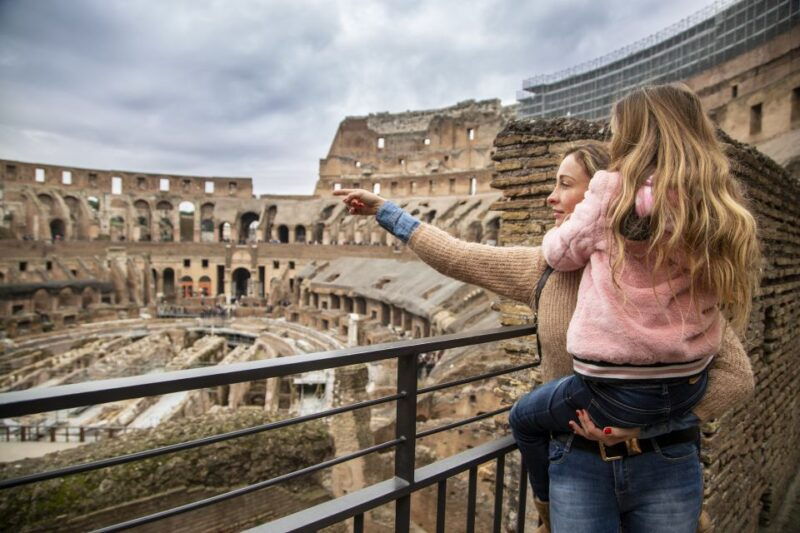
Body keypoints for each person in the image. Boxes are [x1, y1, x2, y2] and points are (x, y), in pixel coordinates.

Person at [334, 130, 754, 531]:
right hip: (577, 462)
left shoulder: (665, 274)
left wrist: (645, 426)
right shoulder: (545, 268)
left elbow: (737, 377)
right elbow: (459, 257)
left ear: (600, 198)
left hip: (665, 458)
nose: (551, 197)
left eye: (565, 185)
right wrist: (384, 211)